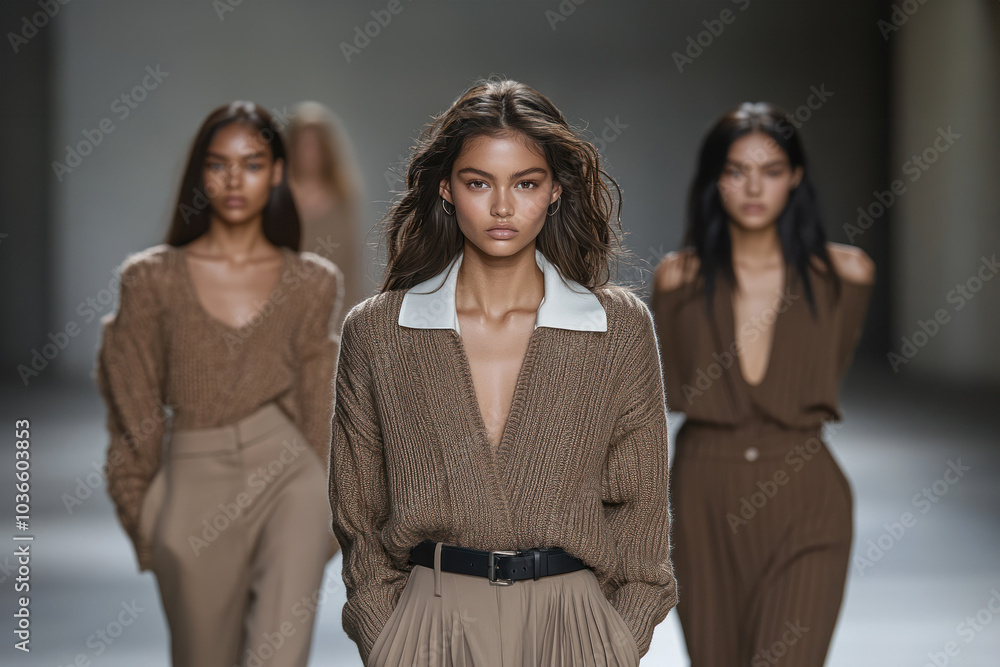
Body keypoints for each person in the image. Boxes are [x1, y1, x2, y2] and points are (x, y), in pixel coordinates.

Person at [328, 79, 677, 667]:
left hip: (574, 626)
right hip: (428, 624)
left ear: (556, 191)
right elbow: (358, 510)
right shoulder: (379, 331)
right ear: (446, 189)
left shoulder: (616, 328)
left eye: (526, 183)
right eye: (478, 183)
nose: (502, 207)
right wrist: (386, 638)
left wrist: (617, 641)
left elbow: (642, 506)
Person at [95, 101, 341, 667]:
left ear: (277, 173)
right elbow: (130, 401)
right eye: (219, 164)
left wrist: (329, 512)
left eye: (253, 164)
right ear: (200, 174)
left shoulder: (310, 282)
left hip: (288, 475)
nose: (235, 180)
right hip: (192, 472)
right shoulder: (151, 278)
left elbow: (318, 399)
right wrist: (146, 510)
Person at [652, 102, 875, 666]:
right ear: (714, 180)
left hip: (805, 492)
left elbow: (829, 361)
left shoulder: (846, 275)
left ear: (795, 178)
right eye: (735, 170)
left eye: (771, 170)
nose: (754, 187)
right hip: (702, 498)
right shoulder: (678, 280)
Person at [286, 100, 365, 334]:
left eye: (315, 145)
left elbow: (350, 266)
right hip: (279, 317)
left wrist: (351, 323)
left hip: (329, 318)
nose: (309, 153)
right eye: (303, 145)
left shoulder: (342, 199)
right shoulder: (275, 198)